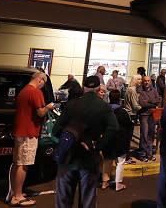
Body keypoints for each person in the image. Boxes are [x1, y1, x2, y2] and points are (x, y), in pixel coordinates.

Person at [53, 76, 119, 208]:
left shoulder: (72, 104)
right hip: (88, 157)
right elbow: (114, 128)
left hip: (68, 157)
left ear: (84, 88)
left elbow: (55, 130)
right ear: (98, 89)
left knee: (63, 200)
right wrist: (98, 144)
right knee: (87, 199)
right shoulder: (103, 107)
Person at [7, 72, 55, 207]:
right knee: (23, 164)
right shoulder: (35, 92)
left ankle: (13, 192)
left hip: (20, 131)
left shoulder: (23, 91)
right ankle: (17, 197)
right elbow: (40, 112)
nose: (43, 85)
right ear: (41, 80)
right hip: (28, 132)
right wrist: (49, 107)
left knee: (16, 163)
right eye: (44, 83)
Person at [101, 89, 133, 191]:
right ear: (119, 98)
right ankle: (118, 184)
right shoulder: (123, 112)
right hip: (120, 139)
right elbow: (129, 124)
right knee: (121, 161)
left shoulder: (105, 110)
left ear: (109, 97)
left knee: (107, 160)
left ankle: (104, 182)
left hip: (108, 138)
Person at [137, 74, 160, 162]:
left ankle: (149, 154)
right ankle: (142, 154)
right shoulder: (140, 91)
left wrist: (149, 101)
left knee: (151, 134)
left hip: (152, 115)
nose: (146, 82)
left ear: (150, 82)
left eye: (148, 81)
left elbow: (158, 101)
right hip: (144, 115)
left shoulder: (154, 90)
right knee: (144, 134)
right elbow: (143, 104)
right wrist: (152, 103)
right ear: (143, 82)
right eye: (145, 81)